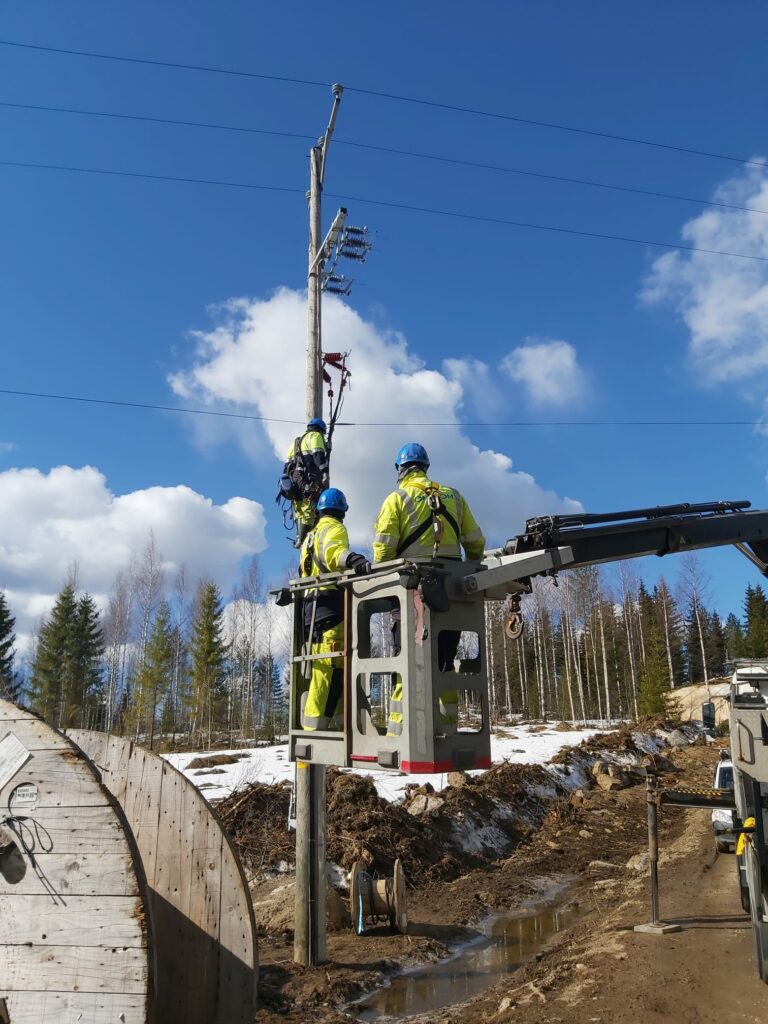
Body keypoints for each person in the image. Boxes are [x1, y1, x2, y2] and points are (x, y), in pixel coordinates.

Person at [372, 443, 486, 737]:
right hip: (452, 593)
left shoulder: (396, 499)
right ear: (425, 467)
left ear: (400, 469)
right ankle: (447, 731)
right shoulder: (453, 496)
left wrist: (386, 587)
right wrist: (470, 571)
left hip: (411, 592)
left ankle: (400, 735)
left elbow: (383, 552)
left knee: (407, 663)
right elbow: (475, 542)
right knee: (446, 663)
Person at [300, 487, 370, 730]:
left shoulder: (310, 536)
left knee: (324, 669)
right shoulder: (335, 528)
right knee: (332, 671)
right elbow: (333, 553)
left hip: (310, 611)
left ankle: (334, 723)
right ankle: (320, 727)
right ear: (343, 511)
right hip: (330, 608)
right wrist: (353, 560)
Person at [282, 418, 330, 548]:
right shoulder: (315, 436)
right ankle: (303, 539)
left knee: (300, 510)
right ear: (321, 430)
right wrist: (324, 472)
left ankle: (299, 537)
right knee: (310, 508)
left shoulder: (296, 442)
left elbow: (287, 465)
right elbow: (318, 454)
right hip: (309, 478)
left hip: (295, 479)